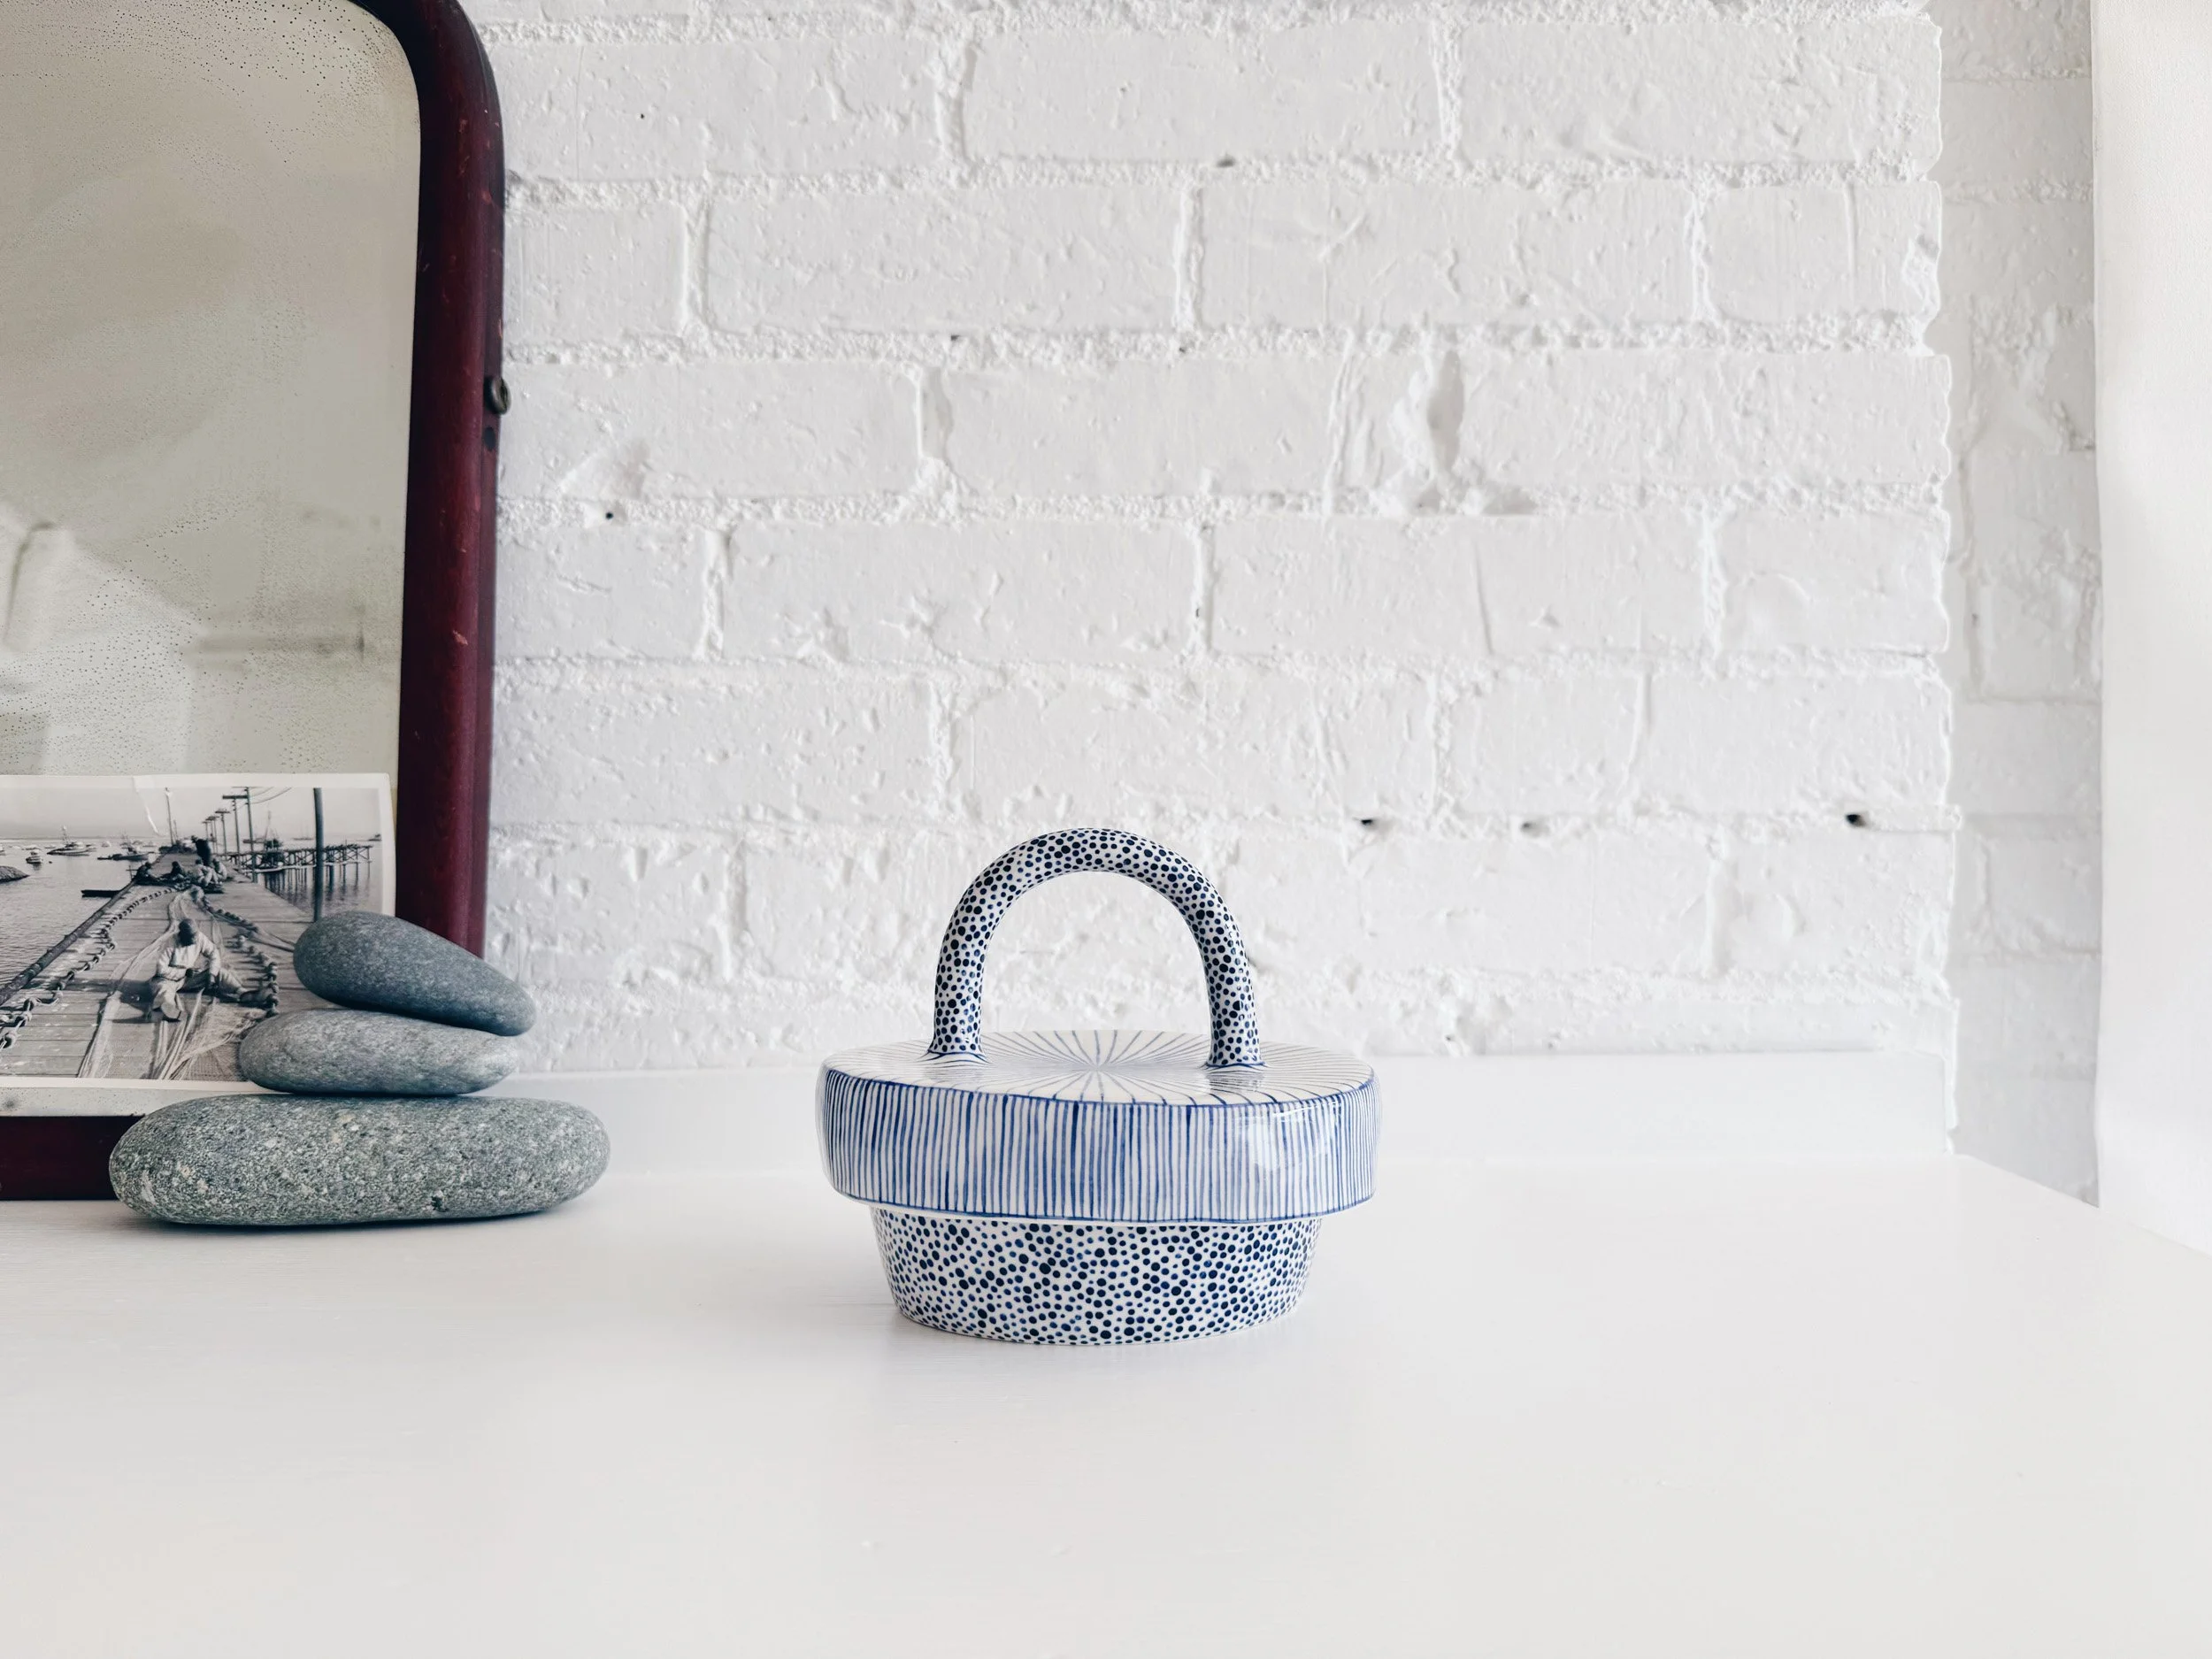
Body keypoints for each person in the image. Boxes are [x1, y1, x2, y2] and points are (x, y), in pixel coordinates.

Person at [147, 918, 245, 1022]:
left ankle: (243, 993)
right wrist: (183, 972)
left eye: (195, 936)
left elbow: (214, 953)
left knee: (220, 973)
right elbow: (161, 970)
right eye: (191, 937)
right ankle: (170, 1009)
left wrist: (211, 974)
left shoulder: (199, 937)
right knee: (163, 989)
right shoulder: (169, 943)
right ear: (182, 935)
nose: (194, 940)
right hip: (168, 979)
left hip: (188, 979)